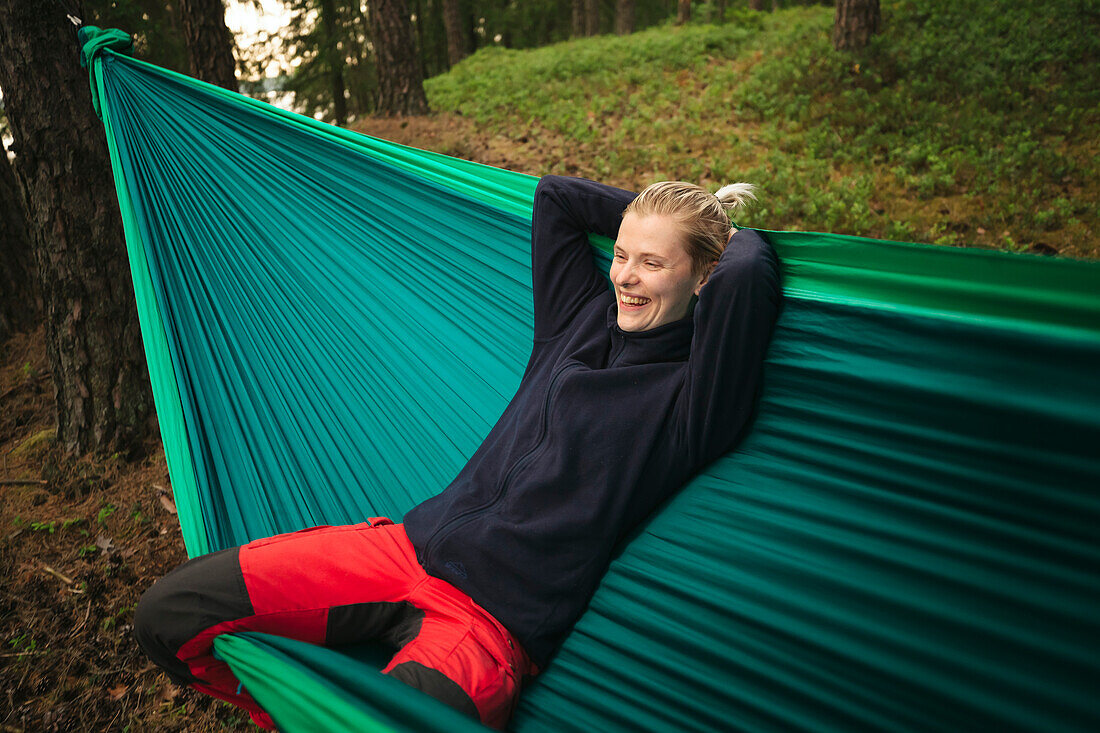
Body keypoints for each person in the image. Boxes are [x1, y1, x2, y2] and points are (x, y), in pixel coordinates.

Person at [133, 174, 782, 730]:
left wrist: (716, 230)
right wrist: (651, 220)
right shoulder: (577, 319)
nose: (626, 277)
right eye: (620, 254)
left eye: (653, 263)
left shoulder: (698, 399)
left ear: (704, 277)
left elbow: (750, 266)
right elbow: (556, 200)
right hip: (399, 550)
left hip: (489, 623)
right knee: (167, 614)